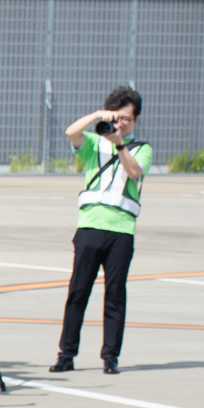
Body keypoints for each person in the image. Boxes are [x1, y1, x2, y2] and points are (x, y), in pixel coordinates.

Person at [53, 87, 150, 375]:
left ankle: (110, 356)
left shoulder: (141, 148)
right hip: (89, 226)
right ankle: (66, 354)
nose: (121, 124)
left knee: (115, 295)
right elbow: (71, 133)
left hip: (122, 230)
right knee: (78, 291)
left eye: (127, 119)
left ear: (137, 120)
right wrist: (97, 115)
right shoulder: (94, 142)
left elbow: (135, 172)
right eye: (116, 118)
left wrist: (120, 144)